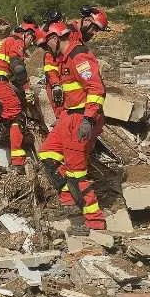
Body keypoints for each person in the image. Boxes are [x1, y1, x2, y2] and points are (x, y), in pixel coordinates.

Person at [37, 19, 107, 233]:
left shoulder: (79, 56)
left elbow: (96, 88)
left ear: (56, 39)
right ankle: (71, 204)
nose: (45, 49)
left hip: (80, 119)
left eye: (47, 43)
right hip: (68, 117)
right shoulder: (64, 59)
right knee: (47, 156)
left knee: (76, 174)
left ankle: (95, 223)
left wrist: (88, 119)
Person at [0, 18, 39, 174]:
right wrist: (27, 89)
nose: (31, 43)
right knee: (17, 117)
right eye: (32, 38)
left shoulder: (3, 42)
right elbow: (18, 68)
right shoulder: (16, 41)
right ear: (26, 34)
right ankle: (18, 163)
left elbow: (7, 69)